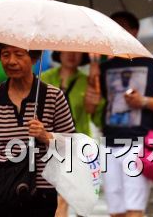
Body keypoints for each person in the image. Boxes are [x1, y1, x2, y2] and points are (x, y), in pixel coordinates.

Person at [0, 44, 76, 217]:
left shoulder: (53, 97)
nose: (11, 61)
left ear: (34, 58)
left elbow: (70, 146)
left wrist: (46, 136)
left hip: (39, 193)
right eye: (5, 55)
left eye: (19, 55)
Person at [91, 11, 153, 217]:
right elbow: (95, 106)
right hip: (109, 141)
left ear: (135, 31)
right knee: (115, 209)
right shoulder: (104, 67)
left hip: (139, 143)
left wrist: (143, 101)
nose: (118, 33)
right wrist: (93, 74)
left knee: (134, 208)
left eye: (123, 27)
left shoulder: (152, 64)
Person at [41, 51, 102, 216]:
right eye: (67, 51)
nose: (71, 55)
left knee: (68, 199)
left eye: (76, 52)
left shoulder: (87, 82)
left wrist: (93, 104)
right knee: (56, 198)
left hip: (78, 148)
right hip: (50, 144)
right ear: (58, 53)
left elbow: (97, 118)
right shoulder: (44, 79)